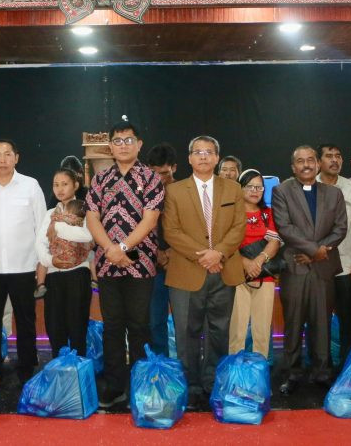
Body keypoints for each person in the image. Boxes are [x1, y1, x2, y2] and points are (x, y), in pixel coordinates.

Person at [85, 121, 164, 408]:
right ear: (110, 146)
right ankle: (114, 385)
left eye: (128, 140)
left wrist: (122, 248)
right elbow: (92, 217)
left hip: (140, 264)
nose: (123, 145)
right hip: (107, 264)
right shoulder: (100, 179)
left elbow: (150, 220)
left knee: (139, 326)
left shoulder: (151, 178)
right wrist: (110, 249)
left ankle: (140, 387)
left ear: (139, 144)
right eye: (117, 141)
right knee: (112, 326)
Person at [163, 134, 243, 406]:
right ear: (189, 158)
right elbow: (171, 231)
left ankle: (213, 383)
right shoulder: (174, 191)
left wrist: (218, 253)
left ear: (217, 157)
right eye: (198, 152)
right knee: (186, 333)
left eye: (209, 152)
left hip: (224, 270)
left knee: (219, 332)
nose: (204, 156)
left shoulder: (233, 189)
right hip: (186, 272)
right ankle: (190, 386)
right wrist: (205, 256)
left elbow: (239, 227)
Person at [275, 145, 348, 394]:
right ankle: (292, 373)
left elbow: (340, 228)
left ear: (318, 164)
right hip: (295, 266)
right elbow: (285, 227)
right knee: (293, 323)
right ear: (293, 167)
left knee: (322, 323)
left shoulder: (334, 193)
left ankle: (322, 372)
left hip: (323, 267)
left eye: (310, 160)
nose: (306, 165)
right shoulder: (281, 191)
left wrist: (318, 253)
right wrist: (313, 250)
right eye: (300, 161)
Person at [0, 139, 47, 384]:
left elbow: (41, 227)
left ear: (17, 157)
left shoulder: (30, 186)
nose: (3, 159)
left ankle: (27, 366)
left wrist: (40, 265)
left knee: (25, 320)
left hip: (24, 265)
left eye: (7, 154)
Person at [36, 170, 93, 356]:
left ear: (75, 185)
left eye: (65, 184)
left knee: (77, 327)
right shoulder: (49, 213)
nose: (59, 189)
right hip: (53, 274)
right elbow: (40, 244)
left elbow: (87, 236)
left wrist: (58, 226)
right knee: (54, 327)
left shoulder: (85, 209)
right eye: (56, 184)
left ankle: (78, 370)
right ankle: (59, 369)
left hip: (78, 274)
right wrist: (50, 260)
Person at [316, 143, 351, 366]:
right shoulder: (308, 187)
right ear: (319, 161)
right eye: (329, 156)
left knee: (347, 321)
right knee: (319, 320)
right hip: (318, 265)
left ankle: (346, 366)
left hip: (347, 265)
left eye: (338, 156)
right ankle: (321, 367)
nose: (334, 160)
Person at [227, 169, 281, 357]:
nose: (255, 191)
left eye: (259, 187)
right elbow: (226, 243)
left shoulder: (268, 213)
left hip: (264, 276)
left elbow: (274, 242)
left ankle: (259, 371)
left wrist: (258, 261)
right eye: (250, 186)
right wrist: (245, 263)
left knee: (262, 331)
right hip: (237, 276)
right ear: (240, 188)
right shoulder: (231, 213)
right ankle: (235, 371)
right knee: (237, 330)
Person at [146, 143, 177, 356]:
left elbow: (193, 228)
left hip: (181, 264)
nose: (159, 178)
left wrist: (172, 252)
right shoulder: (143, 193)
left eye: (164, 173)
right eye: (154, 173)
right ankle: (160, 365)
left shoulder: (185, 191)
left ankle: (185, 367)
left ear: (174, 168)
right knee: (155, 320)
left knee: (185, 322)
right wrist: (156, 252)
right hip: (153, 265)